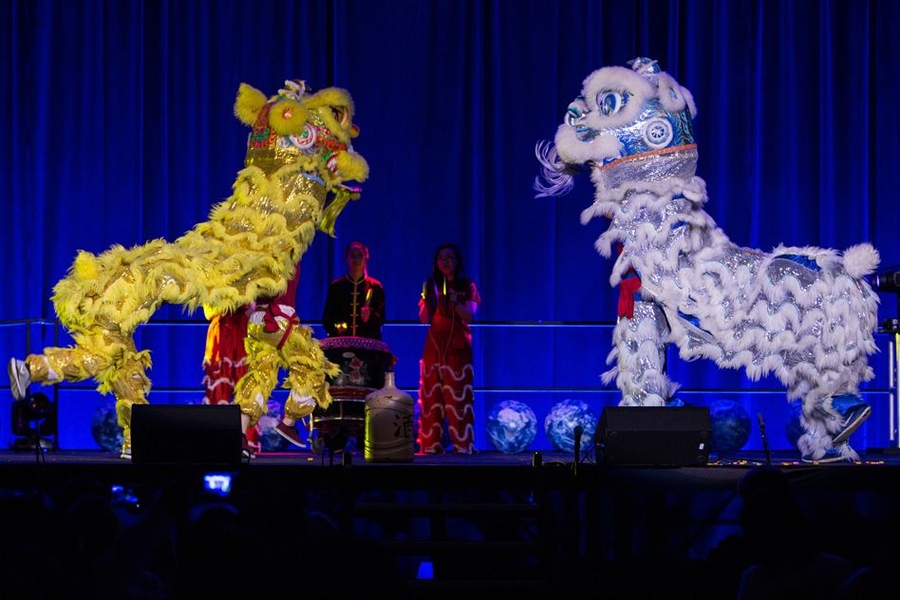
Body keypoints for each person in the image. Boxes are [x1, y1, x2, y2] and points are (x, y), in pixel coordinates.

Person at [416, 243, 481, 454]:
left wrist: (455, 304)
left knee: (458, 397)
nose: (446, 261)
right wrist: (427, 300)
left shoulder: (467, 285)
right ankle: (431, 445)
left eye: (450, 257)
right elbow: (423, 318)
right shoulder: (431, 285)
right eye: (442, 258)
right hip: (434, 346)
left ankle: (462, 446)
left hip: (457, 348)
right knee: (432, 397)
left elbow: (470, 315)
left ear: (457, 261)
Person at [321, 241, 386, 340]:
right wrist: (338, 328)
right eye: (352, 255)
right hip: (342, 343)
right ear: (347, 258)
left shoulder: (375, 287)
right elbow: (327, 319)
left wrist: (370, 315)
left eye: (360, 255)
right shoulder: (336, 286)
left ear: (366, 258)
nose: (356, 259)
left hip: (368, 345)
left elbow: (382, 319)